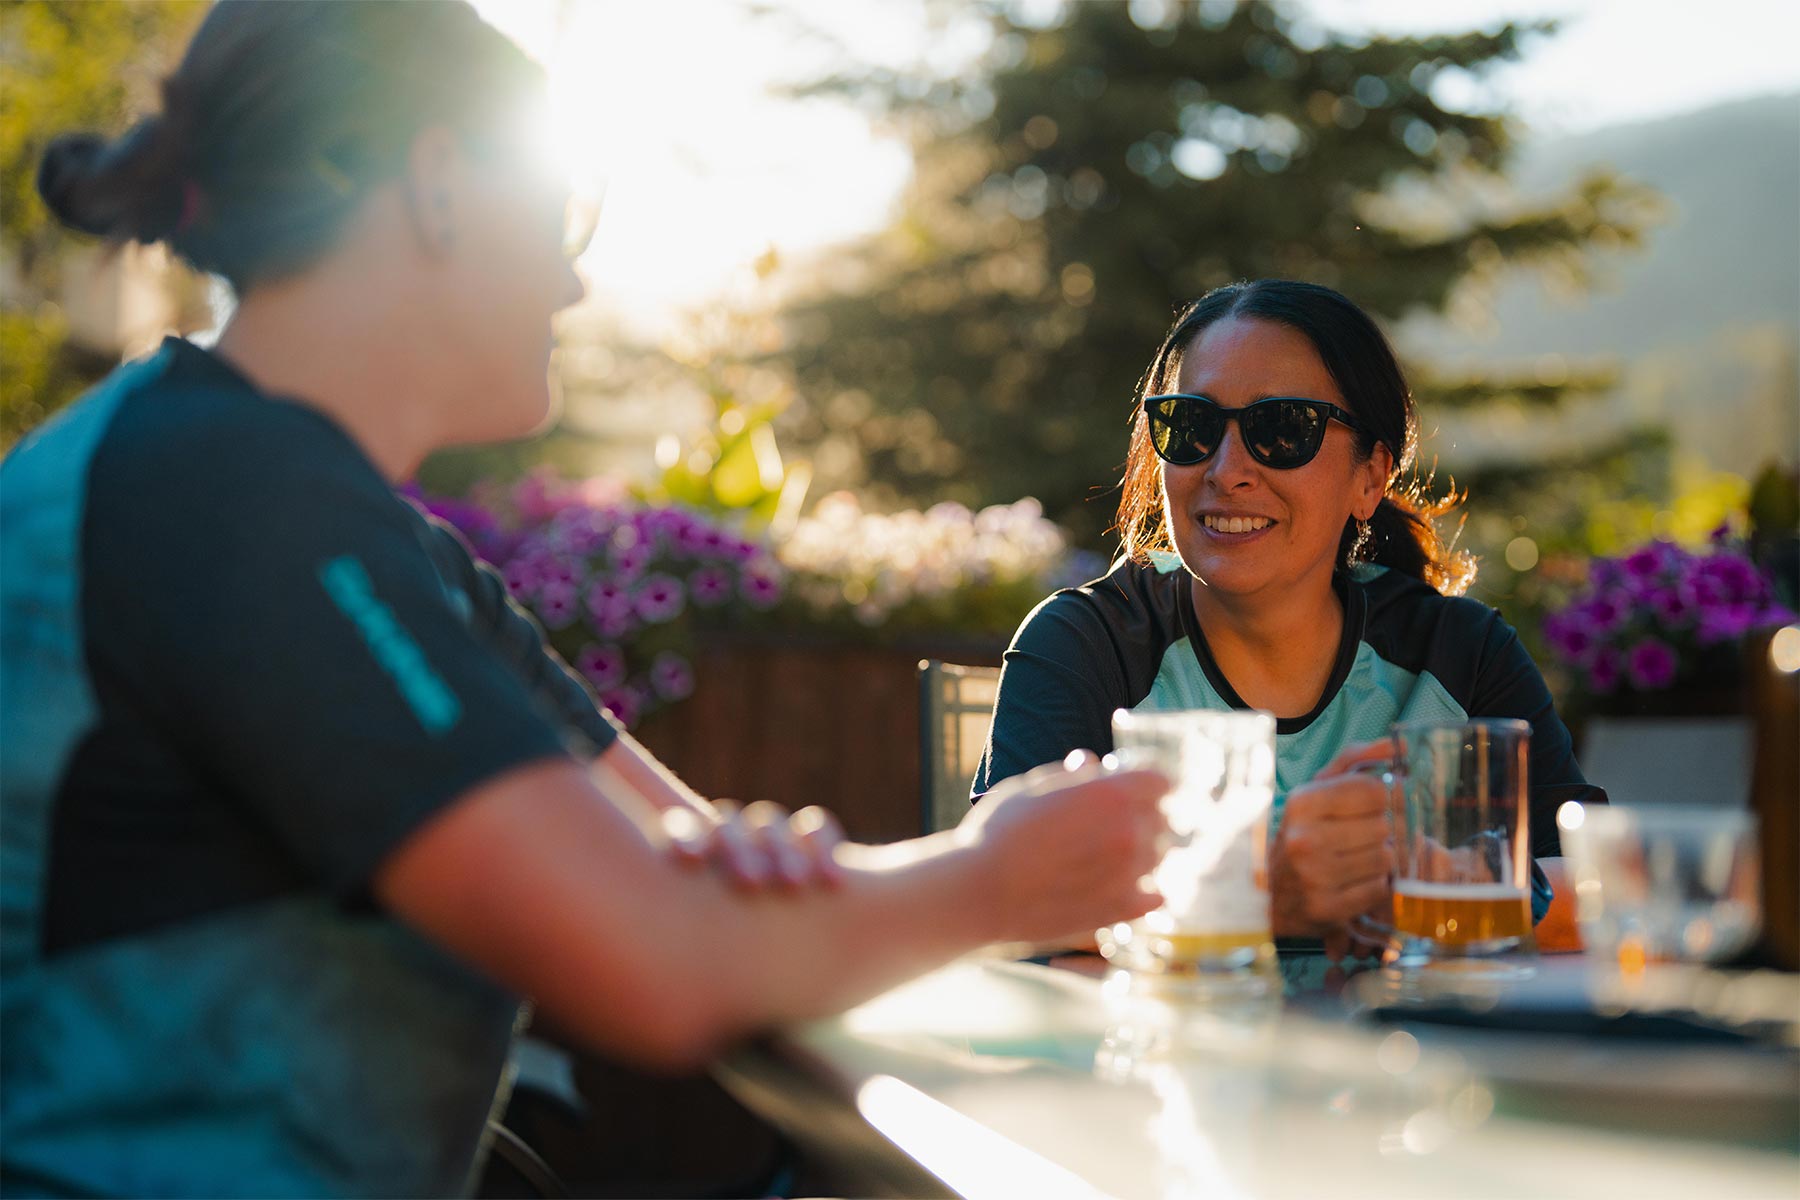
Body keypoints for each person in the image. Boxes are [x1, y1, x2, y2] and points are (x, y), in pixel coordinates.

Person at [0, 4, 1170, 1196]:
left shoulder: (357, 537)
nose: (571, 277)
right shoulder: (224, 496)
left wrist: (897, 876)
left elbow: (684, 866)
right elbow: (656, 962)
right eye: (563, 213)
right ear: (443, 183)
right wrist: (996, 878)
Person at [975, 279, 1607, 959]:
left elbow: (1601, 887)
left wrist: (1409, 876)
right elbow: (990, 907)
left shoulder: (1460, 653)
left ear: (1370, 477)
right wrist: (1268, 895)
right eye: (1190, 425)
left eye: (1283, 429)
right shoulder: (1088, 644)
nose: (1228, 470)